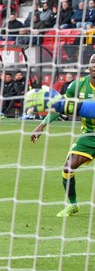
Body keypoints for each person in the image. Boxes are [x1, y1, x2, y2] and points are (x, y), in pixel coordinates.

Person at [31, 55, 95, 217]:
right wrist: (42, 125)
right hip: (88, 135)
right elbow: (61, 106)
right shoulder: (78, 85)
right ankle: (73, 204)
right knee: (68, 167)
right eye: (93, 62)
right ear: (89, 66)